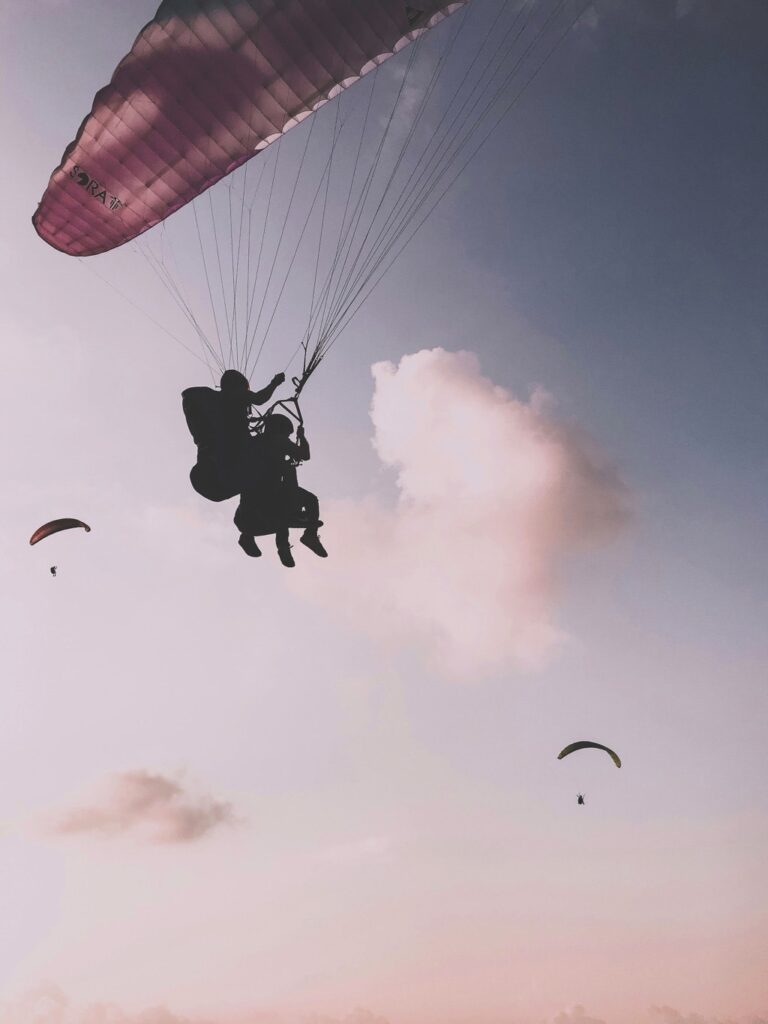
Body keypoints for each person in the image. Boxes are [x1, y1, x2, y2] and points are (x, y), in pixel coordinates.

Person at [235, 413, 327, 567]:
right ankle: (302, 538)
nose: (288, 438)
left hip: (247, 514)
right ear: (280, 430)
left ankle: (252, 538)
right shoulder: (278, 440)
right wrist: (302, 437)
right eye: (287, 435)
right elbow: (305, 455)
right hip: (267, 500)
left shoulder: (253, 442)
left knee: (280, 510)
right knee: (306, 502)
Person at [182, 369, 285, 501]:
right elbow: (260, 398)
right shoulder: (234, 395)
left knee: (253, 476)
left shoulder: (214, 405)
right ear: (238, 386)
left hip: (205, 476)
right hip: (223, 471)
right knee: (271, 457)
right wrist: (275, 383)